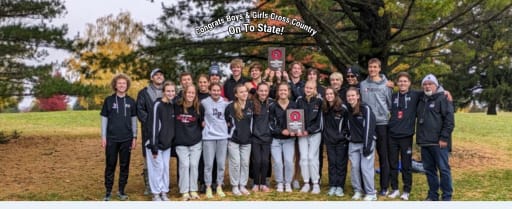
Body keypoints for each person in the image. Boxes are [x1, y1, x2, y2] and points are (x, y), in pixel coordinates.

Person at [416, 74, 455, 201]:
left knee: (444, 170)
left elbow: (449, 121)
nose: (427, 86)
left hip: (439, 143)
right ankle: (433, 195)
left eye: (430, 84)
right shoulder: (421, 99)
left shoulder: (443, 98)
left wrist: (444, 138)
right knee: (429, 171)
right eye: (425, 84)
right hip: (425, 143)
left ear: (436, 85)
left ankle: (447, 196)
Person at [100, 73, 137, 201]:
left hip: (126, 139)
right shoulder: (108, 100)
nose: (122, 85)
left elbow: (134, 121)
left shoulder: (131, 102)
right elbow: (104, 119)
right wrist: (103, 136)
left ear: (127, 86)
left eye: (124, 83)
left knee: (124, 165)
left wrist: (134, 137)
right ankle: (108, 191)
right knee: (110, 165)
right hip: (111, 139)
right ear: (115, 85)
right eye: (119, 83)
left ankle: (121, 191)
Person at [359, 58, 392, 196]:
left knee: (383, 156)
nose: (372, 69)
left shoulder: (387, 85)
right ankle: (365, 186)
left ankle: (384, 186)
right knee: (366, 155)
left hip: (382, 124)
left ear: (379, 68)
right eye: (370, 67)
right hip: (367, 125)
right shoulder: (362, 84)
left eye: (374, 67)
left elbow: (390, 104)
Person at [387, 72, 420, 201]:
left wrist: (444, 92)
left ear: (409, 83)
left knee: (406, 165)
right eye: (400, 81)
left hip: (406, 136)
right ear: (397, 83)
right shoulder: (393, 96)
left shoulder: (416, 95)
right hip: (392, 135)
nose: (402, 83)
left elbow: (431, 90)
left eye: (405, 81)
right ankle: (394, 189)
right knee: (393, 164)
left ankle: (406, 190)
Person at [346, 87, 377, 201]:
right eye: (349, 96)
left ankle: (371, 193)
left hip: (366, 143)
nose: (351, 98)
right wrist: (348, 136)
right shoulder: (348, 109)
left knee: (365, 168)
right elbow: (346, 126)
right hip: (353, 144)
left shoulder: (365, 108)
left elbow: (370, 127)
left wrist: (367, 145)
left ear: (358, 96)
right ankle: (358, 190)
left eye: (353, 95)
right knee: (354, 168)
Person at [146, 81, 176, 201]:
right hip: (155, 144)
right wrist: (154, 146)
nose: (170, 93)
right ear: (163, 92)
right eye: (168, 91)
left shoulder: (171, 105)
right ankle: (156, 194)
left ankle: (164, 192)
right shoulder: (157, 105)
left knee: (165, 168)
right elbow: (153, 126)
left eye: (172, 91)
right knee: (157, 169)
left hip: (166, 145)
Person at [136, 68, 164, 195]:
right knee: (148, 158)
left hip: (164, 131)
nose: (159, 76)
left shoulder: (167, 91)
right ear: (151, 78)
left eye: (160, 75)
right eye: (156, 75)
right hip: (148, 130)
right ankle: (148, 184)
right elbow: (140, 110)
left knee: (162, 158)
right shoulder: (144, 93)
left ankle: (161, 184)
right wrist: (151, 122)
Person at [174, 85, 204, 201]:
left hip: (195, 142)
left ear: (195, 94)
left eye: (193, 93)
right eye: (188, 93)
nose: (190, 95)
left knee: (194, 165)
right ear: (184, 93)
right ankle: (184, 191)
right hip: (181, 142)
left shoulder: (199, 107)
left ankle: (193, 189)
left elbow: (202, 124)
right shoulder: (177, 106)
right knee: (185, 165)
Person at [201, 83, 230, 198]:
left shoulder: (225, 103)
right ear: (210, 91)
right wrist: (201, 122)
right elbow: (198, 114)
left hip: (222, 137)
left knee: (221, 164)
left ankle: (219, 186)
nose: (216, 92)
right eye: (214, 90)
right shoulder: (204, 102)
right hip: (208, 137)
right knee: (208, 164)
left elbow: (230, 115)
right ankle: (208, 186)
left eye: (218, 90)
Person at [225, 84, 253, 196]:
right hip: (233, 140)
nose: (244, 94)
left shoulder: (251, 105)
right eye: (241, 92)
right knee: (235, 163)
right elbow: (226, 121)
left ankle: (243, 185)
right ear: (236, 94)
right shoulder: (230, 107)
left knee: (245, 163)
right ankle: (235, 186)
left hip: (247, 140)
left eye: (245, 91)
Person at [269, 82, 297, 193]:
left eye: (285, 90)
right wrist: (281, 131)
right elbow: (270, 124)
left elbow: (298, 121)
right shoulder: (273, 106)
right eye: (281, 90)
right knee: (277, 162)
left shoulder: (294, 105)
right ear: (277, 92)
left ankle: (288, 183)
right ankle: (280, 183)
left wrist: (296, 131)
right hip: (275, 139)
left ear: (289, 92)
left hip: (289, 140)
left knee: (289, 161)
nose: (283, 92)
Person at [296, 80, 323, 194]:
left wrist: (309, 130)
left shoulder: (319, 101)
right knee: (303, 158)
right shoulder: (299, 100)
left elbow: (320, 122)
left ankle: (315, 184)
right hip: (302, 134)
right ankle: (306, 183)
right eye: (307, 87)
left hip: (315, 133)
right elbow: (295, 116)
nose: (308, 90)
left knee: (312, 157)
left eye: (311, 88)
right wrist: (298, 129)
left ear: (315, 89)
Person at [322, 87, 349, 197]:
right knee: (332, 164)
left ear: (335, 95)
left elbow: (347, 125)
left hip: (341, 141)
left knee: (340, 164)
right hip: (329, 141)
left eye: (331, 94)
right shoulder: (325, 108)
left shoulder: (343, 108)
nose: (329, 96)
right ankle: (333, 185)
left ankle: (340, 187)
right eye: (327, 94)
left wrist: (342, 136)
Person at [250, 83, 273, 193]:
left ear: (268, 92)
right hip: (255, 138)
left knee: (265, 161)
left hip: (267, 138)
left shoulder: (271, 103)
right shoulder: (252, 104)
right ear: (257, 91)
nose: (263, 93)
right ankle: (255, 183)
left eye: (265, 91)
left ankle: (263, 183)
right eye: (261, 91)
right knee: (257, 161)